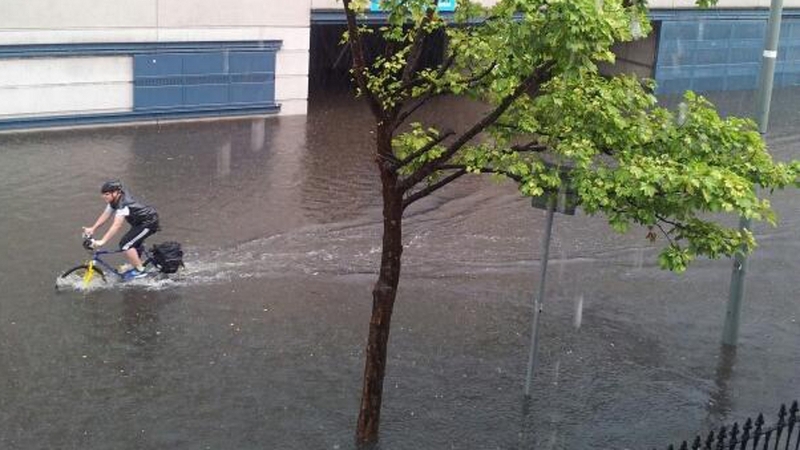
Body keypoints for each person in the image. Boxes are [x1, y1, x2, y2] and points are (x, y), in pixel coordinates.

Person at [83, 180, 160, 280]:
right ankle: (136, 264)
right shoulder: (114, 199)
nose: (104, 197)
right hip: (138, 223)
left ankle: (141, 271)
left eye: (107, 194)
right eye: (103, 194)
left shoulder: (123, 204)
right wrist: (93, 228)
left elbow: (117, 225)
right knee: (133, 242)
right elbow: (106, 214)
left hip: (149, 223)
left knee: (125, 244)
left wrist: (102, 241)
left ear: (115, 193)